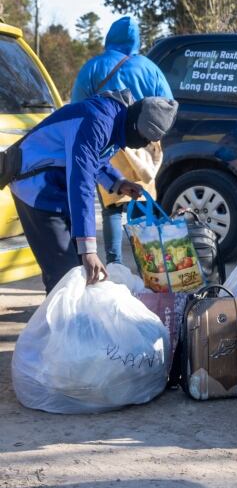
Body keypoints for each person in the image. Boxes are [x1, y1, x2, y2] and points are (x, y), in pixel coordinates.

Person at [9, 91, 178, 293]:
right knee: (65, 275)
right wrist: (89, 248)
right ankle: (62, 322)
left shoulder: (118, 119)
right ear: (135, 126)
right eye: (145, 138)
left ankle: (69, 319)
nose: (145, 144)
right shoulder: (97, 120)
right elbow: (81, 179)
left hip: (57, 187)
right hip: (35, 185)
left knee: (78, 272)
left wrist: (118, 182)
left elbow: (95, 158)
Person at [71, 16, 173, 265]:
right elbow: (168, 106)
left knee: (113, 208)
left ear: (109, 37)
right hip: (145, 144)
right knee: (142, 203)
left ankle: (114, 265)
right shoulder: (150, 68)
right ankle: (150, 266)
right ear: (137, 40)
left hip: (107, 142)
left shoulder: (93, 67)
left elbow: (77, 108)